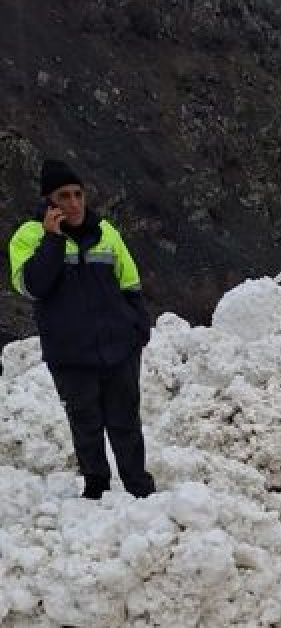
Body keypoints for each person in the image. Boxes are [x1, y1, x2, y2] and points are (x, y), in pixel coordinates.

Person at [8, 159, 156, 499]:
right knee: (86, 425)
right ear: (49, 202)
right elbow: (34, 286)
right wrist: (52, 240)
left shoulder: (106, 232)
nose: (73, 203)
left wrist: (138, 328)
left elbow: (130, 282)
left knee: (126, 424)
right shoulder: (27, 238)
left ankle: (139, 488)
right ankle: (97, 489)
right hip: (70, 353)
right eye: (63, 197)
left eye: (78, 194)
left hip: (119, 347)